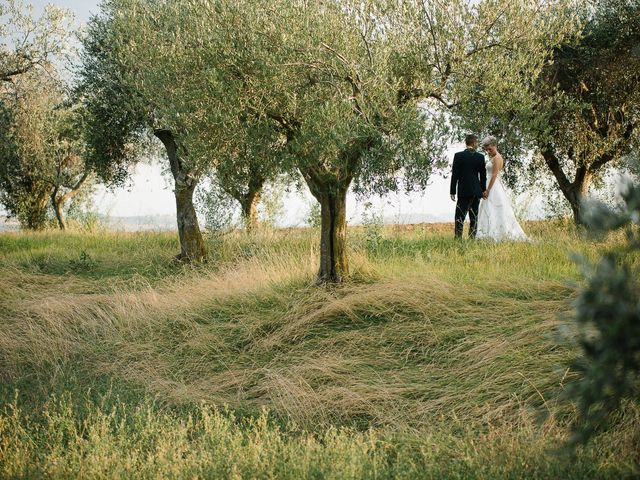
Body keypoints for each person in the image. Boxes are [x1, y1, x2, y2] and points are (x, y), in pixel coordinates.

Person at [476, 136, 527, 241]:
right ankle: (487, 234)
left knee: (497, 208)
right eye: (486, 149)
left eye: (490, 148)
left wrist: (488, 190)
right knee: (488, 209)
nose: (488, 151)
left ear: (495, 145)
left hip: (493, 186)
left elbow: (494, 175)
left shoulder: (497, 158)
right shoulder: (492, 158)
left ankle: (500, 234)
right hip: (489, 183)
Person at [450, 134, 487, 239]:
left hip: (463, 191)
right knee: (474, 217)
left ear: (466, 143)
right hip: (476, 191)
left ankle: (458, 238)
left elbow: (455, 175)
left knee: (459, 216)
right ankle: (472, 239)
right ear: (474, 143)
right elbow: (483, 176)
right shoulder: (480, 157)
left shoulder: (458, 156)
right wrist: (483, 190)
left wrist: (452, 191)